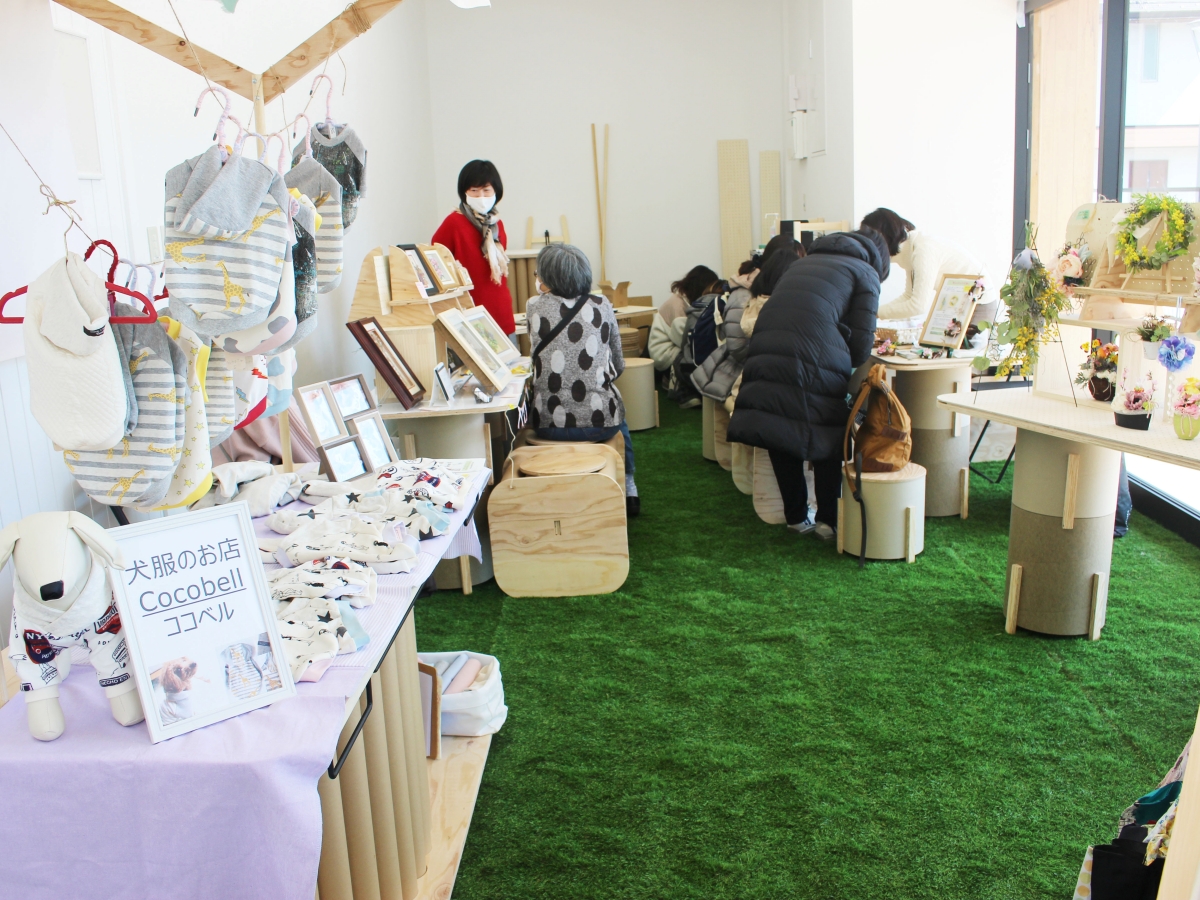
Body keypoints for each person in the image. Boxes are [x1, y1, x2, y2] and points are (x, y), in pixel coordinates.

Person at [727, 227, 890, 539]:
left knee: (780, 426)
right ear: (880, 260)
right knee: (828, 432)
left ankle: (797, 517)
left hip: (766, 348)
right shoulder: (865, 273)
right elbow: (860, 349)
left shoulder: (801, 263)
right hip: (812, 354)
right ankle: (828, 519)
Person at [527, 243, 640, 517]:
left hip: (548, 425)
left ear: (548, 277)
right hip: (600, 425)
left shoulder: (534, 306)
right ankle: (629, 485)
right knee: (615, 407)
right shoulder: (603, 305)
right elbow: (619, 363)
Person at [860, 207, 997, 336]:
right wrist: (873, 312)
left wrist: (874, 313)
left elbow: (918, 306)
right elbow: (909, 296)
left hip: (978, 305)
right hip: (960, 304)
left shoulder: (923, 251)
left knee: (953, 350)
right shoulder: (912, 249)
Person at [692, 245, 803, 403]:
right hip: (731, 375)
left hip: (731, 371)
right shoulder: (747, 299)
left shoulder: (758, 298)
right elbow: (737, 346)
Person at [432, 160, 514, 336]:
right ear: (464, 192)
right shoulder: (454, 222)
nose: (481, 197)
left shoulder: (496, 224)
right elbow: (435, 261)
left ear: (496, 191)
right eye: (474, 191)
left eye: (486, 190)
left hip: (501, 310)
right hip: (469, 312)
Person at [648, 265, 720, 371]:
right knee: (700, 359)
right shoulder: (678, 306)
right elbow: (686, 341)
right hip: (664, 354)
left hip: (673, 347)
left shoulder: (683, 298)